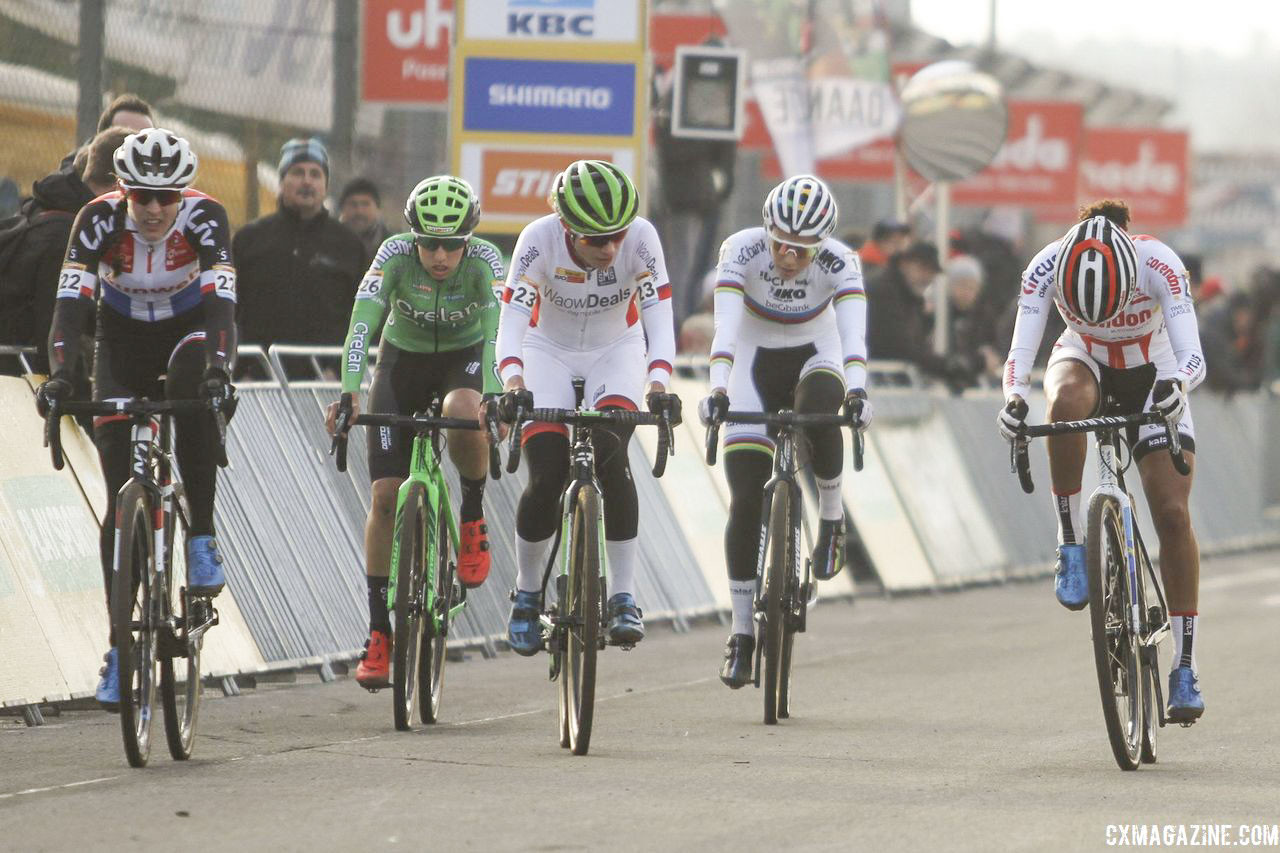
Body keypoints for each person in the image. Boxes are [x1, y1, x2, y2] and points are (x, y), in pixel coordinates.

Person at [35, 129, 238, 710]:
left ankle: (201, 536)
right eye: (140, 196)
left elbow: (223, 303)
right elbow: (69, 309)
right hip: (121, 341)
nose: (152, 209)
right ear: (122, 190)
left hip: (190, 331)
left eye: (165, 197)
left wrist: (220, 371)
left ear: (183, 192)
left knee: (191, 391)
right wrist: (61, 376)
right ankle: (120, 646)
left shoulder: (206, 218)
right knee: (118, 499)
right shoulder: (96, 221)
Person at [997, 200, 1208, 724]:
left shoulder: (1160, 264)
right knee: (1063, 402)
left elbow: (1194, 358)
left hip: (1152, 369)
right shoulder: (1045, 266)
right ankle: (1070, 541)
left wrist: (1177, 386)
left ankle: (1185, 663)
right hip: (1083, 359)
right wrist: (1013, 400)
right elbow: (1020, 356)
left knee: (1173, 514)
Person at [324, 176, 504, 690]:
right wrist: (349, 390)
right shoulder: (394, 254)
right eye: (430, 243)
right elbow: (362, 323)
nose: (441, 256)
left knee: (466, 409)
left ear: (468, 238)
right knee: (383, 498)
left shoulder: (487, 261)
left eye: (452, 244)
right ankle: (379, 632)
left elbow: (497, 330)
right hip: (401, 364)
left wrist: (493, 393)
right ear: (413, 236)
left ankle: (472, 513)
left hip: (464, 362)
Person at [493, 159, 679, 654]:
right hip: (544, 350)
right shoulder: (538, 238)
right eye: (597, 240)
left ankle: (623, 596)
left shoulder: (642, 238)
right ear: (567, 228)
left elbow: (659, 314)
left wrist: (658, 382)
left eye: (617, 236)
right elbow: (510, 321)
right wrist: (513, 382)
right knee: (546, 475)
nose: (611, 248)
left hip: (615, 348)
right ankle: (527, 595)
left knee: (614, 463)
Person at [697, 174, 872, 689]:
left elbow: (852, 334)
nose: (788, 258)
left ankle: (833, 520)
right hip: (751, 359)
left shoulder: (843, 262)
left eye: (802, 250)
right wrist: (717, 387)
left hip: (814, 353)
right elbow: (724, 328)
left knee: (821, 408)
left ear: (821, 245)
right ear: (766, 229)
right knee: (746, 498)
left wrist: (858, 390)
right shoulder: (741, 250)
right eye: (780, 245)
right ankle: (741, 633)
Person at [2, 127, 129, 377]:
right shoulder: (67, 238)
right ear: (120, 183)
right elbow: (52, 333)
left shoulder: (44, 210)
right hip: (17, 381)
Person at [233, 137, 366, 354]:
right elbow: (232, 310)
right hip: (261, 374)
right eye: (297, 172)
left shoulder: (349, 245)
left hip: (326, 377)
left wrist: (338, 368)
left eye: (315, 174)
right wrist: (245, 368)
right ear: (282, 181)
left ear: (325, 185)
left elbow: (363, 316)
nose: (307, 181)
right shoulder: (250, 239)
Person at [338, 176, 391, 262]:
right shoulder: (328, 244)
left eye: (365, 204)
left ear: (378, 209)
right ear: (342, 209)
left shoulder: (392, 247)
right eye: (353, 204)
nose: (359, 211)